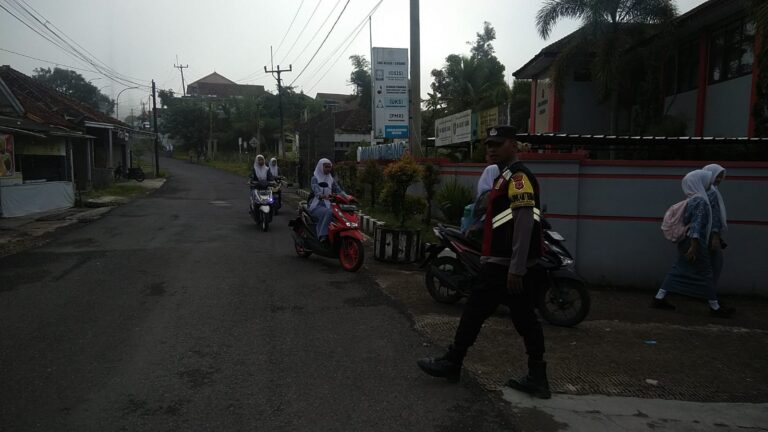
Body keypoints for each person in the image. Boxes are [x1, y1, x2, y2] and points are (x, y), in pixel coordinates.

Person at [417, 126, 551, 399]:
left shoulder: (518, 178)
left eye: (497, 144)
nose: (490, 148)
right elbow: (505, 218)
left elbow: (525, 222)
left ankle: (453, 362)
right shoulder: (504, 178)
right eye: (488, 144)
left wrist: (517, 266)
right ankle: (537, 377)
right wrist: (479, 230)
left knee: (476, 312)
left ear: (513, 145)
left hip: (505, 265)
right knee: (524, 319)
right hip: (503, 261)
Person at [652, 170, 734, 318]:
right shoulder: (701, 201)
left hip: (686, 240)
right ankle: (715, 307)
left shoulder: (692, 199)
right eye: (706, 180)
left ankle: (659, 298)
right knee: (706, 272)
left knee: (678, 268)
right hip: (694, 241)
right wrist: (695, 246)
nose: (710, 182)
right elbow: (696, 225)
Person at [309, 158, 346, 245]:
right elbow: (315, 189)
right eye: (326, 167)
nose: (328, 169)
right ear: (320, 167)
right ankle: (322, 235)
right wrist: (320, 195)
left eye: (329, 167)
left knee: (338, 213)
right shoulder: (315, 178)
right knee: (329, 212)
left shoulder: (331, 179)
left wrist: (347, 196)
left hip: (328, 204)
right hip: (316, 205)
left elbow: (338, 190)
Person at [703, 164, 727, 286]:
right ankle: (710, 296)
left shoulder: (704, 189)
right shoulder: (712, 192)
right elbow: (714, 216)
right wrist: (716, 236)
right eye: (717, 176)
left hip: (705, 233)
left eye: (721, 177)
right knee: (716, 264)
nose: (719, 180)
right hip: (710, 234)